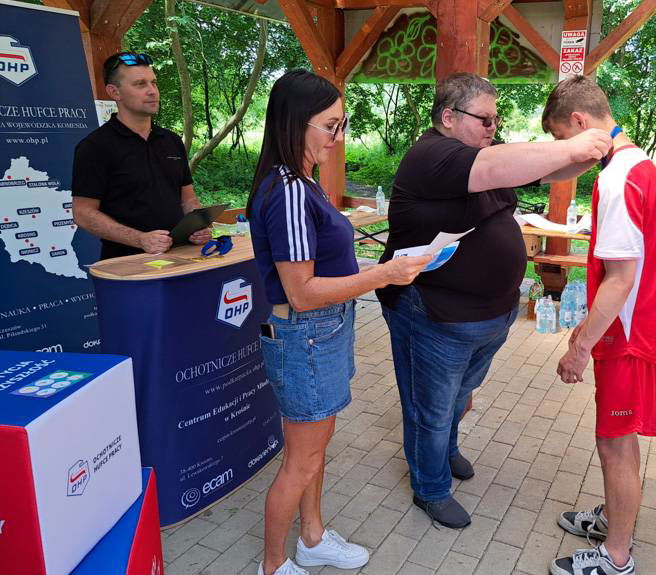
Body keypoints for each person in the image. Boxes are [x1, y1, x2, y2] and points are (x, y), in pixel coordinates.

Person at [376, 73, 612, 529]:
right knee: (430, 409)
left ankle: (444, 452)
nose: (493, 127)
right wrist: (578, 144)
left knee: (458, 396)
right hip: (435, 314)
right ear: (449, 116)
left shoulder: (483, 152)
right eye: (484, 119)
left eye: (496, 119)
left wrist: (592, 152)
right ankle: (430, 487)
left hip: (484, 316)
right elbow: (495, 165)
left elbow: (547, 170)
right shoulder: (432, 155)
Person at [247, 70, 431, 575]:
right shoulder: (288, 190)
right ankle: (272, 565)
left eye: (340, 124)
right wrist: (383, 274)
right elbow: (301, 293)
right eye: (330, 125)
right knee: (301, 459)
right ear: (295, 123)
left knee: (314, 447)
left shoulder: (302, 181)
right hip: (306, 335)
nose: (338, 136)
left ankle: (312, 537)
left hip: (319, 333)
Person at [542, 76, 656, 575]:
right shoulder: (638, 165)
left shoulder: (618, 179)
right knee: (620, 438)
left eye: (563, 139)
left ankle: (616, 555)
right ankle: (613, 517)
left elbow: (621, 279)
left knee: (615, 443)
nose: (565, 152)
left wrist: (580, 347)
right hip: (637, 325)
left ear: (580, 122)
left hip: (630, 335)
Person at [72, 52, 210, 259]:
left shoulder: (171, 141)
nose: (152, 91)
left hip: (181, 257)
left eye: (153, 83)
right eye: (140, 84)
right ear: (114, 92)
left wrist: (198, 225)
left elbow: (188, 199)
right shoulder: (95, 146)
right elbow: (82, 213)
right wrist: (140, 239)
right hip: (128, 264)